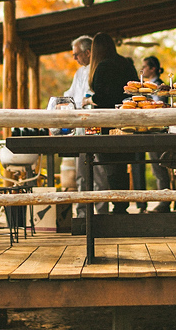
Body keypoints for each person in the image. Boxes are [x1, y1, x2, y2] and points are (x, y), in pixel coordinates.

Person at [86, 33, 139, 214]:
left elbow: (102, 97)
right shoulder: (126, 64)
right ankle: (121, 205)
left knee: (109, 165)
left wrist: (90, 100)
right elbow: (134, 91)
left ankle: (116, 205)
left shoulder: (102, 67)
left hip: (107, 122)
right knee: (123, 164)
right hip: (128, 121)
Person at [65, 35, 108, 216]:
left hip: (95, 126)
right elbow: (71, 94)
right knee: (82, 173)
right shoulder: (79, 73)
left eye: (76, 54)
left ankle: (102, 213)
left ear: (88, 52)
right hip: (80, 129)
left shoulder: (100, 68)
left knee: (99, 172)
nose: (74, 58)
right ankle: (83, 214)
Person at [141, 56, 172, 213]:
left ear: (152, 68)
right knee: (157, 167)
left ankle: (164, 202)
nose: (143, 69)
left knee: (160, 166)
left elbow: (157, 106)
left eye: (145, 66)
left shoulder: (157, 86)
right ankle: (163, 200)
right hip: (153, 129)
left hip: (158, 130)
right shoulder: (149, 86)